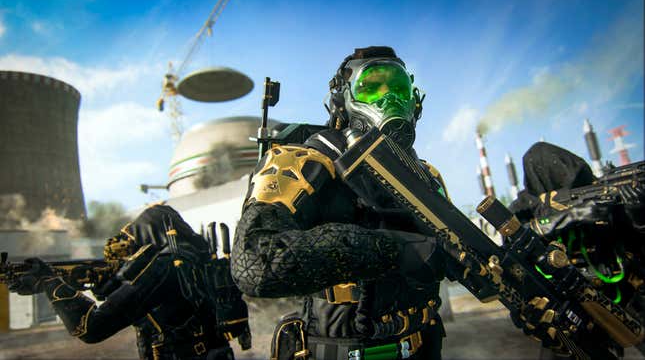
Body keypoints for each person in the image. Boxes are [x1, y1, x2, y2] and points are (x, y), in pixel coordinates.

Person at [232, 46, 453, 360]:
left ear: (415, 102)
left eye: (398, 88)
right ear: (341, 101)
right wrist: (396, 250)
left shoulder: (428, 177)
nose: (389, 98)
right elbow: (254, 260)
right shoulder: (304, 160)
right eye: (372, 87)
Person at [7, 205, 241, 360]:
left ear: (149, 235)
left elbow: (90, 328)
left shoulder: (162, 267)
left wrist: (49, 282)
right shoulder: (197, 261)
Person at [508, 142, 645, 358]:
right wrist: (573, 215)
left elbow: (632, 244)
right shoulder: (524, 208)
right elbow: (515, 243)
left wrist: (635, 215)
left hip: (621, 295)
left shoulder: (596, 190)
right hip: (568, 310)